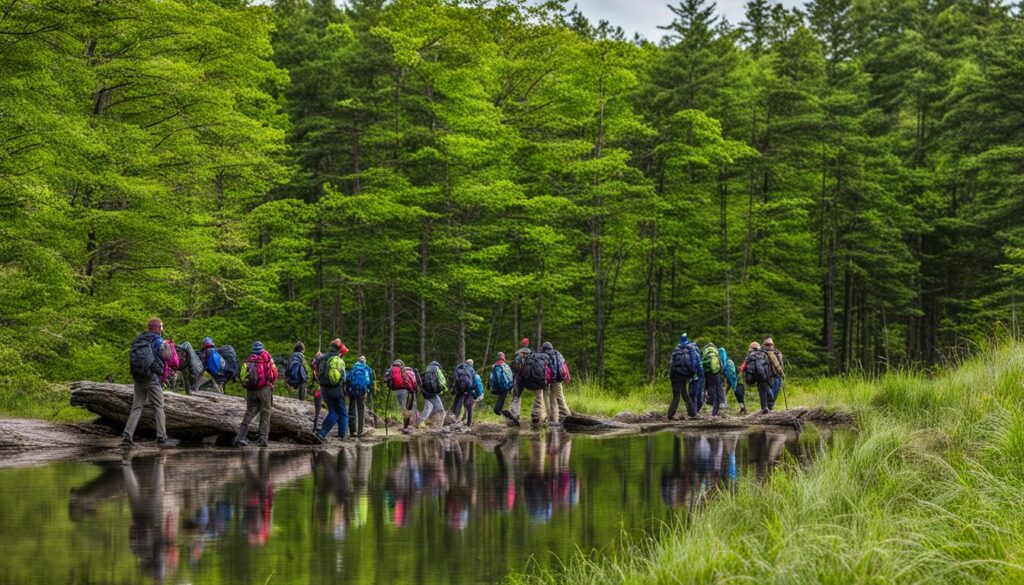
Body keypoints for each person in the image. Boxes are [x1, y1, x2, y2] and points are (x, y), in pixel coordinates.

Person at [124, 318, 178, 446]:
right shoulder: (158, 341)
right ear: (158, 328)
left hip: (139, 378)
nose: (162, 330)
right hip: (152, 379)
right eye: (161, 327)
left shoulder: (139, 339)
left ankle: (127, 436)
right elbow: (167, 357)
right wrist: (168, 346)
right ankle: (161, 438)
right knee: (159, 407)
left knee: (136, 408)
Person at [234, 341, 279, 447]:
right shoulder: (267, 357)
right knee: (266, 412)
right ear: (262, 348)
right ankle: (262, 439)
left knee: (249, 412)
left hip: (251, 389)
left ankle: (240, 437)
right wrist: (271, 383)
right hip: (264, 389)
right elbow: (274, 373)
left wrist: (247, 386)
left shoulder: (249, 358)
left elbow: (243, 375)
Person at [315, 339, 349, 440]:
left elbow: (314, 367)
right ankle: (339, 435)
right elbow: (343, 377)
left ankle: (322, 432)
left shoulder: (322, 358)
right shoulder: (338, 360)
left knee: (332, 410)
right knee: (340, 412)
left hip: (324, 389)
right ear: (338, 350)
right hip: (337, 390)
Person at [667, 333, 702, 420]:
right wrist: (694, 374)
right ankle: (671, 415)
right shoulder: (691, 349)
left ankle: (692, 414)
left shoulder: (677, 349)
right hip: (684, 376)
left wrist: (671, 376)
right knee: (682, 395)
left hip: (674, 376)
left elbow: (671, 365)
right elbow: (695, 364)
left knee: (681, 394)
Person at [385, 359, 420, 434]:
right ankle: (406, 427)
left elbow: (385, 379)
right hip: (406, 390)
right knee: (407, 409)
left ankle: (406, 426)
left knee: (404, 408)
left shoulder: (391, 370)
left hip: (397, 391)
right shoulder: (405, 370)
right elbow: (414, 383)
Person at [540, 342, 572, 424]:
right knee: (558, 398)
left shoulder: (543, 355)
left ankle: (552, 419)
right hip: (558, 380)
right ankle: (561, 418)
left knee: (546, 399)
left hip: (547, 380)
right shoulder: (558, 354)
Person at [519, 347, 552, 425]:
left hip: (529, 383)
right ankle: (536, 416)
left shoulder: (528, 360)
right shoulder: (542, 359)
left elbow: (524, 374)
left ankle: (538, 416)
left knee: (538, 397)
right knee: (540, 397)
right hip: (540, 382)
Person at [346, 355, 375, 437]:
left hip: (352, 392)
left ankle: (352, 431)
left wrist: (348, 391)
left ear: (358, 361)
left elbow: (347, 379)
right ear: (364, 361)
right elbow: (369, 382)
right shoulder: (366, 369)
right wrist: (368, 391)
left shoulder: (353, 369)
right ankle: (360, 431)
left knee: (352, 410)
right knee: (361, 410)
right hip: (362, 392)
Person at [742, 341, 775, 414]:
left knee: (762, 393)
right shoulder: (763, 354)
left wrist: (749, 380)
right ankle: (765, 408)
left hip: (757, 378)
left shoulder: (750, 356)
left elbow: (747, 369)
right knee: (765, 392)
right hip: (765, 377)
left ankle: (765, 408)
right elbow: (768, 366)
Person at [419, 360, 447, 428]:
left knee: (431, 409)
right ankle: (421, 423)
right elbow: (441, 382)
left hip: (427, 393)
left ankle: (432, 424)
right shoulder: (436, 370)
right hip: (432, 394)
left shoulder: (427, 371)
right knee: (438, 410)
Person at [450, 359, 477, 427]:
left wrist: (453, 390)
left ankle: (453, 420)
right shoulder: (471, 369)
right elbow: (474, 379)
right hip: (469, 389)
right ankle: (468, 423)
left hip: (460, 389)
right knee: (469, 406)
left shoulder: (458, 369)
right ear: (471, 364)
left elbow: (455, 380)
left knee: (457, 404)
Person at [701, 342, 725, 417]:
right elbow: (720, 363)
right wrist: (721, 371)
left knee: (711, 389)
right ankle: (721, 403)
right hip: (716, 373)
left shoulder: (705, 352)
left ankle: (712, 410)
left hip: (707, 373)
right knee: (719, 388)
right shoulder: (716, 352)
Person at [488, 352, 515, 418]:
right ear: (503, 357)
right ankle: (498, 409)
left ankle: (498, 409)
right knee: (503, 395)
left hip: (496, 386)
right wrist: (511, 384)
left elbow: (491, 376)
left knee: (501, 396)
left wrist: (490, 385)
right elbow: (510, 375)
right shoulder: (504, 365)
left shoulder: (494, 365)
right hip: (504, 385)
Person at [719, 346, 745, 414]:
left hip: (737, 381)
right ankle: (742, 408)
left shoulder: (729, 362)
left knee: (739, 395)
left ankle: (743, 409)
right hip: (732, 381)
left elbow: (733, 374)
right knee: (738, 395)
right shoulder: (721, 363)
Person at [764, 337, 785, 410]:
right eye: (768, 344)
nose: (770, 346)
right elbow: (777, 366)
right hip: (772, 378)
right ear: (764, 344)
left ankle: (767, 410)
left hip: (770, 378)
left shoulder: (777, 353)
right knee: (772, 396)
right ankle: (767, 410)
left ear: (773, 344)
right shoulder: (771, 353)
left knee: (769, 396)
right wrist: (782, 374)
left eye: (771, 344)